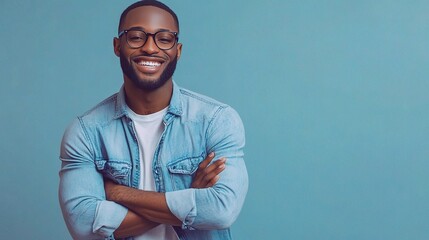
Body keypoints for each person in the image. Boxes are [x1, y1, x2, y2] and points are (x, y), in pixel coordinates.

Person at [58, 1, 248, 239]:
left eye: (164, 39)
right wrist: (190, 195)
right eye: (136, 37)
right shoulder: (85, 132)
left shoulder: (216, 120)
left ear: (177, 50)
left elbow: (221, 210)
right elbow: (83, 226)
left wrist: (119, 193)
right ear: (118, 46)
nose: (150, 48)